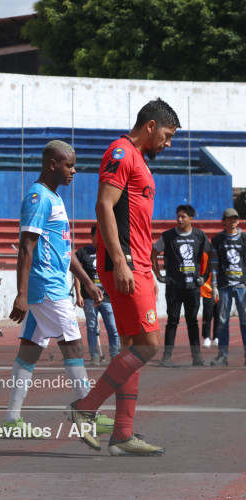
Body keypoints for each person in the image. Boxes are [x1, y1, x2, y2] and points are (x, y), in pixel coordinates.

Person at [66, 98, 180, 456]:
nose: (168, 143)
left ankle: (122, 434)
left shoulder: (138, 159)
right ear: (150, 126)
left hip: (138, 263)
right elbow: (103, 205)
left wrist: (139, 264)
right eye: (167, 135)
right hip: (127, 263)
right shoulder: (121, 152)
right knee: (149, 345)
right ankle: (85, 407)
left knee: (133, 345)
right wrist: (120, 260)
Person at [5, 140, 112, 437]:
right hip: (47, 288)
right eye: (69, 165)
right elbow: (26, 248)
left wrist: (87, 282)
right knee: (74, 345)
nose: (74, 171)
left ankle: (12, 419)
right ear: (53, 164)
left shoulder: (55, 197)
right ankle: (88, 411)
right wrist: (21, 294)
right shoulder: (38, 197)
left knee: (28, 352)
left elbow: (64, 249)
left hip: (50, 285)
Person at [151, 204, 210, 367]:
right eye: (178, 216)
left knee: (192, 322)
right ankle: (166, 357)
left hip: (193, 288)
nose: (179, 219)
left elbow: (211, 254)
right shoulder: (168, 236)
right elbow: (153, 254)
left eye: (183, 216)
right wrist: (159, 276)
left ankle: (197, 357)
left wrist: (204, 276)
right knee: (172, 321)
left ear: (191, 218)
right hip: (174, 288)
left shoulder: (200, 236)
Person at [74, 224, 121, 366]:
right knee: (91, 327)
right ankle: (94, 356)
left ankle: (115, 355)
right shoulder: (82, 253)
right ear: (92, 236)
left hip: (107, 297)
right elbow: (77, 275)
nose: (101, 238)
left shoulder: (109, 251)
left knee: (113, 327)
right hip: (89, 298)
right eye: (98, 235)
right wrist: (78, 295)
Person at [209, 208, 246, 366]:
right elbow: (214, 264)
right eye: (229, 218)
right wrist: (214, 286)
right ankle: (222, 355)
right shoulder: (217, 240)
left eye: (235, 218)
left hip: (242, 285)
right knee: (222, 321)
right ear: (223, 221)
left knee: (245, 321)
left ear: (238, 220)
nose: (232, 221)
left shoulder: (244, 238)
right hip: (224, 286)